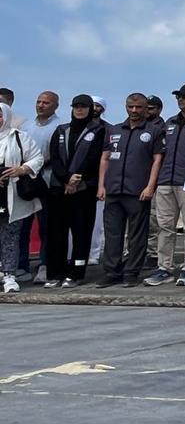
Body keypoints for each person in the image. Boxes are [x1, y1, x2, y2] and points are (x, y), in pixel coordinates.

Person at [95, 93, 164, 287]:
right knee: (113, 234)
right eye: (130, 107)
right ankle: (111, 272)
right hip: (113, 189)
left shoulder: (154, 131)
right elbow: (105, 158)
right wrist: (101, 185)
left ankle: (131, 272)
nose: (134, 111)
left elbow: (157, 160)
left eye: (138, 107)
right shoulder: (114, 130)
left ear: (145, 108)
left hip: (137, 191)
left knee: (137, 235)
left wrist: (150, 186)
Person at [44, 95, 106, 287]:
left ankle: (76, 273)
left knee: (81, 233)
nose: (79, 109)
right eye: (76, 106)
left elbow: (94, 158)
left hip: (84, 190)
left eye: (83, 106)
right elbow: (54, 157)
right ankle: (55, 274)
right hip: (59, 189)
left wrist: (76, 178)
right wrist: (66, 178)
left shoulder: (99, 131)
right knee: (56, 233)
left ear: (90, 109)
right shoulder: (61, 130)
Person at [146, 83, 185, 286]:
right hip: (165, 180)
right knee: (164, 226)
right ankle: (164, 267)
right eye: (179, 96)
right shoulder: (170, 122)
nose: (181, 100)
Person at [0, 101, 43, 294]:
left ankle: (9, 275)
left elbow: (37, 158)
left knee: (10, 236)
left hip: (11, 195)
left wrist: (22, 169)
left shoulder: (19, 136)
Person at [18, 90, 61, 282]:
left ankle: (45, 265)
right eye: (39, 102)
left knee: (46, 226)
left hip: (47, 182)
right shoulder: (25, 126)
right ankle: (21, 265)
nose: (41, 105)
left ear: (55, 106)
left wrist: (37, 162)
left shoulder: (60, 126)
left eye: (46, 102)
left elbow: (57, 154)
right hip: (26, 183)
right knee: (22, 226)